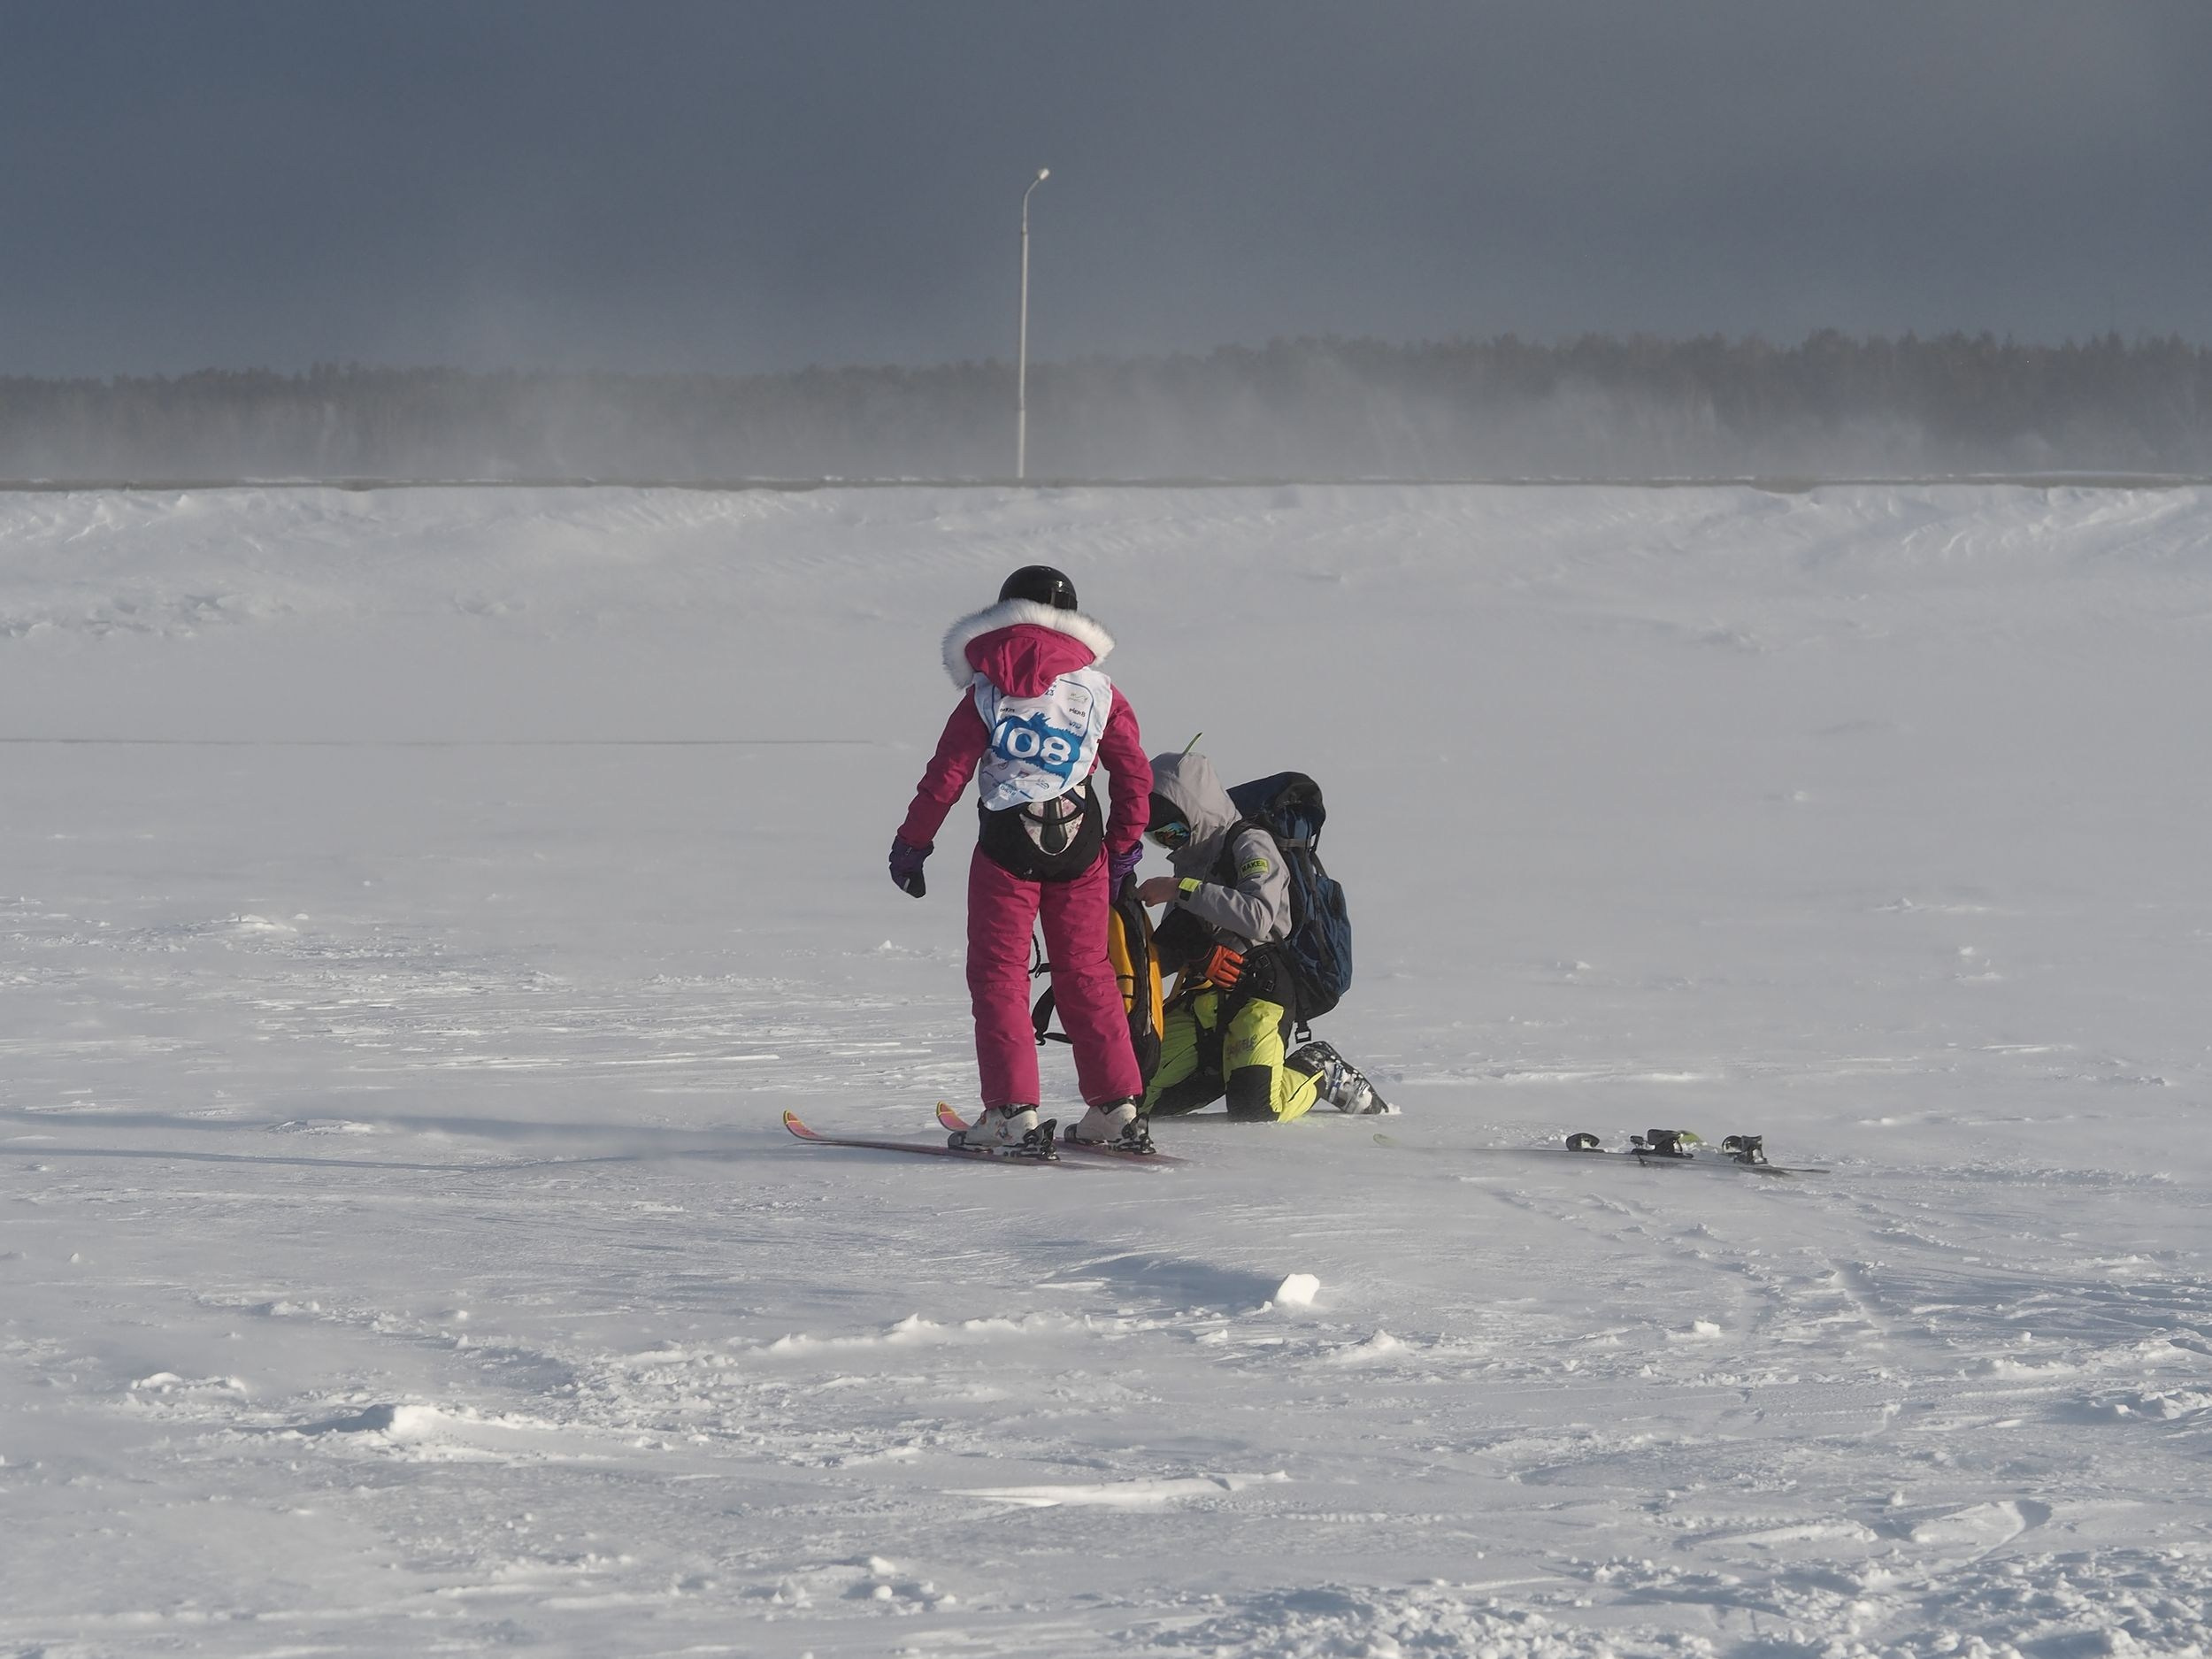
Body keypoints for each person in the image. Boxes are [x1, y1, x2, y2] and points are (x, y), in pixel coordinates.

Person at [887, 565, 1155, 1153]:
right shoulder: (1100, 690)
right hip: (1081, 843)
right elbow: (1133, 771)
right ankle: (1115, 1105)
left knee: (1001, 973)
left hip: (1007, 844)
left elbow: (948, 775)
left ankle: (1012, 1112)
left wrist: (913, 843)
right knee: (1087, 969)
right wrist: (1124, 846)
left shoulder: (986, 689)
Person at [1137, 750, 1379, 1121]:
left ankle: (1319, 1068)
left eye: (1175, 830)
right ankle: (1235, 1070)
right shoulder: (1189, 865)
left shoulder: (1249, 843)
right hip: (1205, 998)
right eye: (1159, 837)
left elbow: (1258, 916)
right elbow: (1174, 950)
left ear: (1195, 808)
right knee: (1134, 1098)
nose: (1171, 842)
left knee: (1257, 1111)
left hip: (1260, 990)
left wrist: (1179, 889)